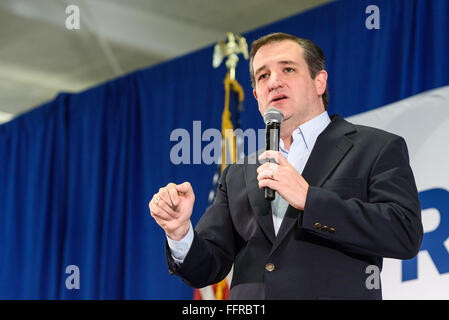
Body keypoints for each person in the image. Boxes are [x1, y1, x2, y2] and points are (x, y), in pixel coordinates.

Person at [149, 32, 423, 300]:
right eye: (263, 75)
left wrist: (309, 199)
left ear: (319, 82)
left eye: (288, 69)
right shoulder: (237, 174)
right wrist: (180, 232)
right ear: (256, 96)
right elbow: (207, 269)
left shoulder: (374, 148)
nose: (274, 82)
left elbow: (404, 233)